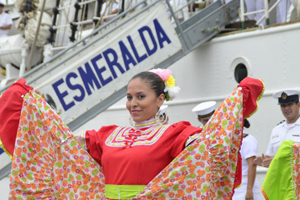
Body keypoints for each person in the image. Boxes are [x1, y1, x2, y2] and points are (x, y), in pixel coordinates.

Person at [0, 70, 264, 199]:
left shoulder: (175, 133)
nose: (133, 103)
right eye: (129, 97)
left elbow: (207, 148)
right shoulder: (109, 135)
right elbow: (63, 147)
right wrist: (31, 109)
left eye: (141, 96)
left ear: (160, 99)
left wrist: (235, 105)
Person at [254, 89, 300, 168]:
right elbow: (271, 159)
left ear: (298, 105)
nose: (286, 108)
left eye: (289, 104)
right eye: (283, 105)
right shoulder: (276, 130)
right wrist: (264, 162)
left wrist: (276, 161)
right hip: (280, 179)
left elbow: (275, 160)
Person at [232, 119, 260, 200]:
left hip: (245, 185)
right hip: (234, 186)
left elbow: (252, 164)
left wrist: (249, 190)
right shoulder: (232, 140)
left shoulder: (248, 140)